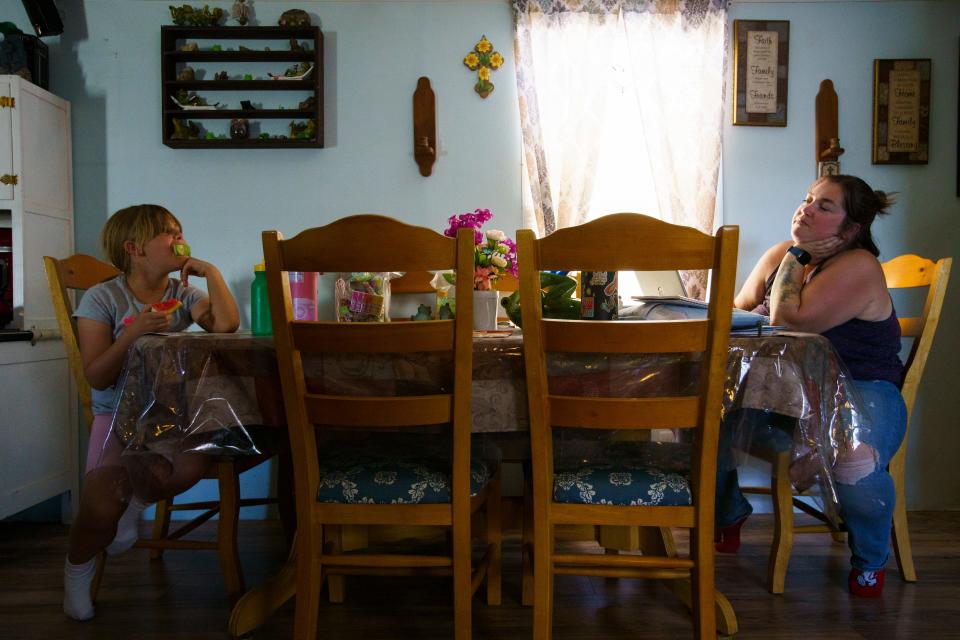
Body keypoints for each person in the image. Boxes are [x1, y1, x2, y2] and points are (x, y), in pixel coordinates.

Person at [714, 175, 906, 598]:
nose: (806, 209)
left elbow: (789, 320)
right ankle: (727, 514)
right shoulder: (781, 256)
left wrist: (796, 256)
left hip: (863, 387)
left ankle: (871, 560)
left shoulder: (857, 266)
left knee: (853, 459)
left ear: (851, 229)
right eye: (807, 199)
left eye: (824, 206)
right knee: (703, 416)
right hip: (788, 391)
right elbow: (736, 314)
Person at [64, 204, 240, 620]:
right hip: (117, 417)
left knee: (192, 466)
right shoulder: (102, 298)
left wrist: (211, 271)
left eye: (179, 231)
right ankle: (77, 569)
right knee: (99, 505)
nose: (178, 239)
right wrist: (134, 333)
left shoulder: (182, 294)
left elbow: (226, 326)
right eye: (166, 233)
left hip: (172, 416)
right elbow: (97, 377)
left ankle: (136, 499)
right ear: (134, 249)